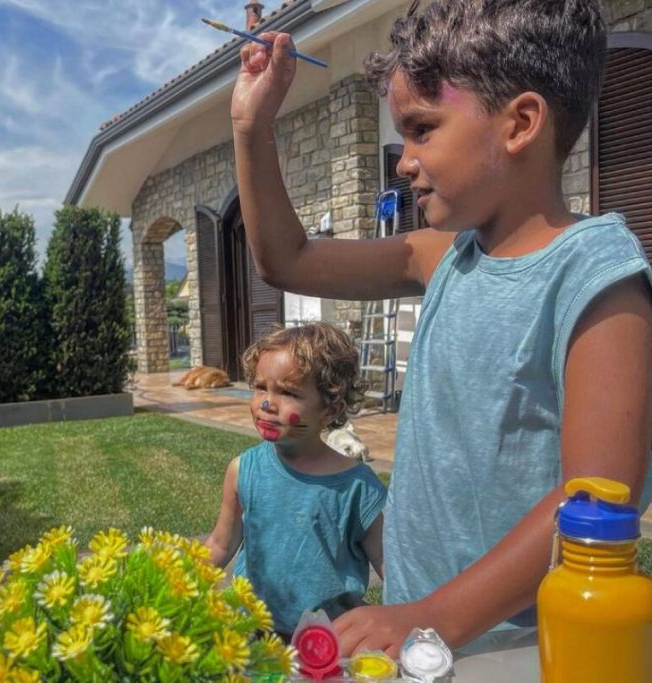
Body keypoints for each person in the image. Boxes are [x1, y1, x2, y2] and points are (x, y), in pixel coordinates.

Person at [231, 0, 652, 659]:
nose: (403, 161)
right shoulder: (443, 256)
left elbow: (596, 499)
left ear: (520, 124)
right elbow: (286, 259)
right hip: (428, 637)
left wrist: (432, 617)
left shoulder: (596, 274)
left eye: (422, 129)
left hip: (525, 646)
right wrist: (252, 128)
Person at [204, 324, 386, 639]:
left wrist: (408, 617)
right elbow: (221, 544)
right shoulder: (243, 470)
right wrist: (177, 584)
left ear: (330, 410)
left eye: (288, 392)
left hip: (328, 640)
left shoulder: (358, 487)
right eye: (260, 387)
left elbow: (387, 563)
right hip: (255, 634)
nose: (267, 403)